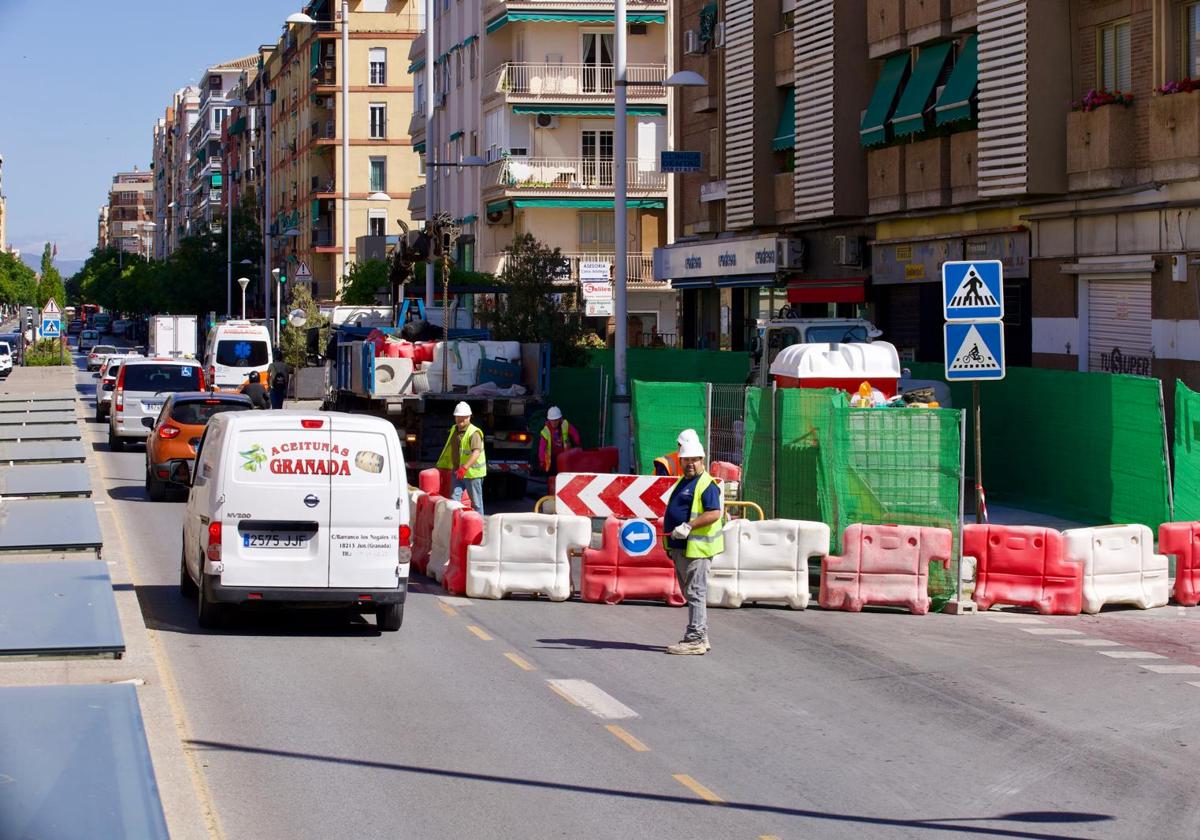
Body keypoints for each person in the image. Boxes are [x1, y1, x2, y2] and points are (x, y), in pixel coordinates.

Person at [662, 436, 724, 655]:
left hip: (697, 549)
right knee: (691, 593)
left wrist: (689, 526)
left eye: (694, 459)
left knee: (696, 592)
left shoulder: (706, 484)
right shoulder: (684, 481)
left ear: (702, 460)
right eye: (686, 459)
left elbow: (715, 513)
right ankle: (701, 636)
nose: (690, 463)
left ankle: (694, 639)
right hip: (681, 547)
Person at [437, 401, 486, 514]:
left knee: (476, 503)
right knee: (454, 500)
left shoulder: (474, 433)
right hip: (457, 471)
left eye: (463, 417)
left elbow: (476, 453)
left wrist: (465, 467)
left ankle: (479, 527)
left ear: (469, 417)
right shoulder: (454, 429)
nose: (460, 420)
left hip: (472, 474)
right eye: (458, 417)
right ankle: (456, 524)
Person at [538, 406, 581, 475]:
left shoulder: (565, 425)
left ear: (560, 419)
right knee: (553, 476)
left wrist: (577, 446)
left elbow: (575, 435)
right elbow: (542, 448)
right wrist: (542, 461)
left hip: (565, 456)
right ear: (549, 420)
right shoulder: (545, 431)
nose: (554, 422)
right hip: (552, 459)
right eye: (552, 420)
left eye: (556, 420)